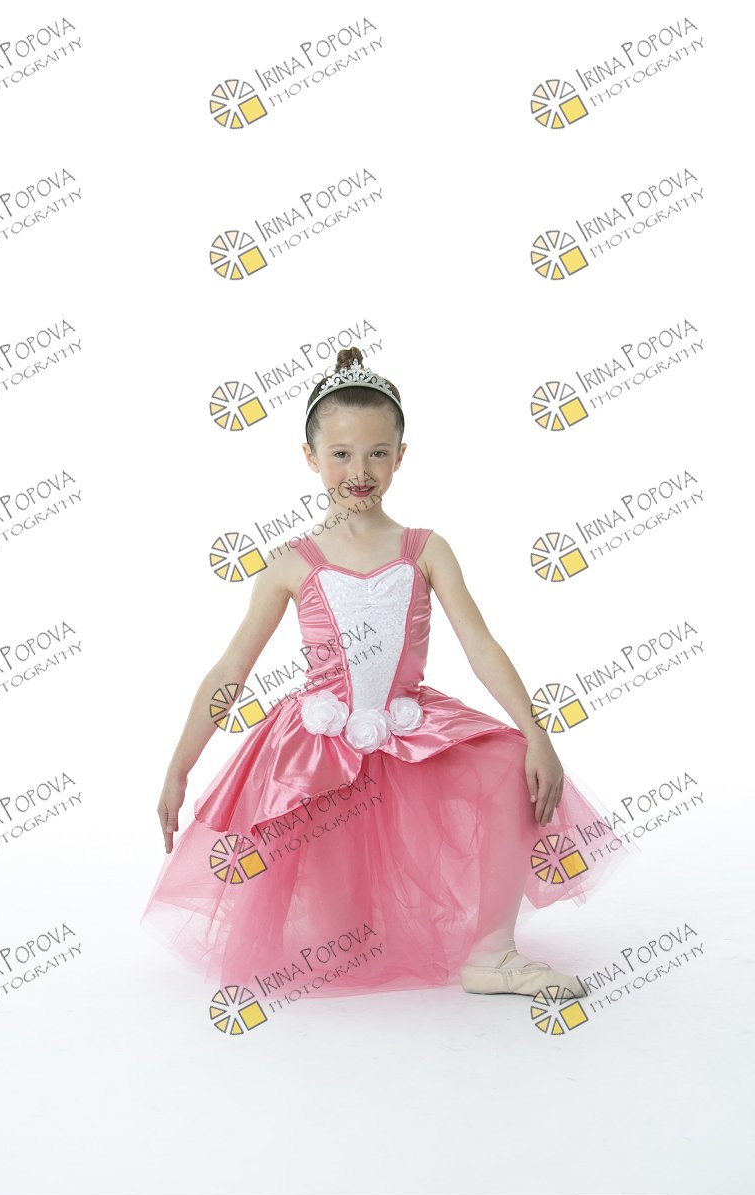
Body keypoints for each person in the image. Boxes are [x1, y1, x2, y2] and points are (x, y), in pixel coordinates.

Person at [140, 346, 636, 1015]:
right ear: (310, 457)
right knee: (342, 931)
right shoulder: (291, 562)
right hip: (320, 746)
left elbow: (480, 644)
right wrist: (179, 767)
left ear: (401, 456)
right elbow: (231, 671)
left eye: (377, 453)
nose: (359, 471)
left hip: (408, 728)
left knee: (508, 761)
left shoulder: (425, 549)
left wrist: (537, 733)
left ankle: (492, 953)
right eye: (341, 454)